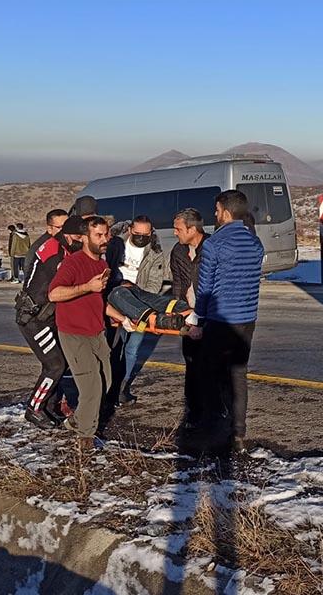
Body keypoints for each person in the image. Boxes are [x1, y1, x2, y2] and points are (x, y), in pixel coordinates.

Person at [187, 190, 264, 450]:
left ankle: (214, 431)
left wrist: (197, 319)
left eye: (217, 211)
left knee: (211, 376)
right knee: (238, 374)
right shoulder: (255, 244)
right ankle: (238, 434)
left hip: (220, 320)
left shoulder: (214, 245)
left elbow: (205, 287)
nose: (215, 215)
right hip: (247, 319)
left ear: (226, 212)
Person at [49, 217, 114, 451]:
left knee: (106, 382)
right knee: (91, 387)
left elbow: (99, 299)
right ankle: (85, 438)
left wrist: (123, 317)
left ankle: (76, 420)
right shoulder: (73, 263)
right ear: (85, 237)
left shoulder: (102, 264)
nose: (105, 239)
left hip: (96, 331)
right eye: (99, 235)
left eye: (106, 234)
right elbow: (54, 294)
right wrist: (87, 286)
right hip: (74, 333)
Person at [18, 215, 85, 428]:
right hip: (35, 318)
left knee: (58, 362)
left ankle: (48, 405)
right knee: (54, 364)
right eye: (77, 237)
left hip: (45, 315)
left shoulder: (61, 248)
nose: (81, 241)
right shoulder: (54, 251)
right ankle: (34, 408)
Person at [106, 215, 171, 405]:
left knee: (132, 348)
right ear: (129, 230)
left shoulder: (155, 253)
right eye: (137, 234)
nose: (141, 237)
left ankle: (122, 388)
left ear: (151, 233)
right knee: (112, 347)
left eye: (145, 234)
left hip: (140, 305)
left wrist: (136, 301)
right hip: (114, 300)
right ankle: (108, 386)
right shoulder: (115, 244)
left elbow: (154, 284)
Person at [171, 208, 208, 426]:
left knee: (211, 364)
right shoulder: (177, 251)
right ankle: (193, 412)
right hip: (187, 313)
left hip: (209, 315)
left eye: (178, 229)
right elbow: (177, 283)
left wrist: (203, 319)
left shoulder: (212, 248)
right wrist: (177, 310)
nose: (175, 233)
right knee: (191, 363)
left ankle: (213, 410)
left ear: (192, 229)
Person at [27, 210, 68, 280]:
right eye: (60, 227)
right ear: (50, 229)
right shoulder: (44, 248)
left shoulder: (68, 243)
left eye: (68, 226)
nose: (65, 230)